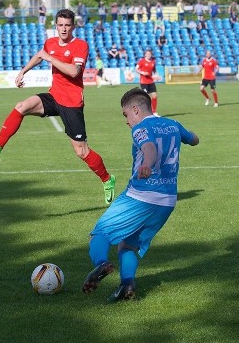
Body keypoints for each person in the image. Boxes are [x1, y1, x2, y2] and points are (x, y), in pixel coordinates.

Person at [0, 9, 116, 204]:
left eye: (67, 25)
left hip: (72, 103)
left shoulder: (80, 45)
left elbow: (74, 71)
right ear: (55, 26)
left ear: (73, 26)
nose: (63, 29)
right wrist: (23, 71)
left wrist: (51, 58)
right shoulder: (50, 43)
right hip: (53, 95)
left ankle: (107, 179)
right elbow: (40, 55)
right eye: (60, 25)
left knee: (81, 151)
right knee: (21, 106)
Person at [81, 88, 199, 302]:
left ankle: (100, 263)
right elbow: (194, 139)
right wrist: (185, 137)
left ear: (135, 109)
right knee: (128, 245)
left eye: (126, 115)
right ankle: (127, 285)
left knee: (100, 234)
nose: (126, 121)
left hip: (140, 196)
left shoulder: (140, 128)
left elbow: (150, 147)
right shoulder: (173, 124)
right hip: (167, 201)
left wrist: (147, 164)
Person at [135, 49, 159, 116]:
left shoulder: (153, 61)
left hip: (151, 81)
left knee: (154, 96)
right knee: (146, 98)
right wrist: (142, 72)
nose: (148, 55)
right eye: (147, 54)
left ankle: (154, 112)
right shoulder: (142, 61)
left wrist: (156, 76)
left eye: (149, 54)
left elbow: (154, 70)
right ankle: (142, 112)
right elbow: (136, 69)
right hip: (144, 82)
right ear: (145, 54)